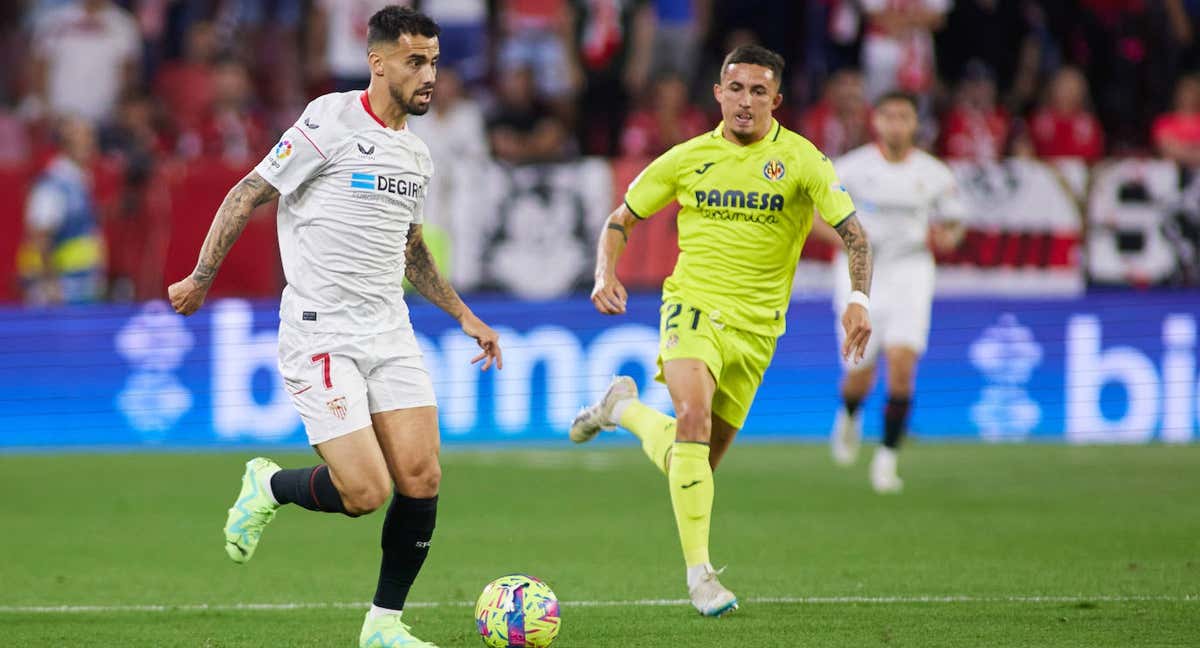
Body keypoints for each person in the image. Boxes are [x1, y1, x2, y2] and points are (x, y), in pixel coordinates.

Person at [167, 8, 502, 648]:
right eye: (414, 61)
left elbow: (412, 250)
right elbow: (247, 192)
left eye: (433, 60)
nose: (429, 74)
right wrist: (202, 275)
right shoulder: (329, 121)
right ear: (377, 62)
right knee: (365, 491)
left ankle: (384, 625)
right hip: (322, 333)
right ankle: (269, 483)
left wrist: (464, 315)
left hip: (389, 330)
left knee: (423, 476)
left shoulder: (416, 153)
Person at [570, 45, 873, 616]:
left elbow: (855, 235)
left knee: (696, 462)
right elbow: (621, 219)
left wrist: (858, 299)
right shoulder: (687, 158)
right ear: (718, 92)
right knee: (692, 418)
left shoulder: (803, 161)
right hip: (693, 307)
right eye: (735, 88)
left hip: (758, 332)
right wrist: (603, 271)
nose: (745, 101)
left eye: (759, 92)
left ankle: (622, 409)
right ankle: (701, 577)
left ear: (776, 101)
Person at [827, 91, 967, 493]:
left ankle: (887, 460)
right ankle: (850, 413)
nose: (895, 124)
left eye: (903, 117)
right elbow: (816, 217)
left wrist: (947, 238)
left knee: (903, 365)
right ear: (876, 121)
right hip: (861, 271)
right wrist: (849, 243)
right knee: (860, 371)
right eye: (887, 116)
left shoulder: (934, 173)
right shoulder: (851, 169)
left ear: (914, 124)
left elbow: (955, 226)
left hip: (911, 269)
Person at [19, 115, 106, 304]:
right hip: (61, 292)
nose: (89, 143)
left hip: (80, 287)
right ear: (65, 144)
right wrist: (51, 285)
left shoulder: (81, 181)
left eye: (90, 137)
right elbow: (41, 236)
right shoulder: (53, 184)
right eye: (82, 138)